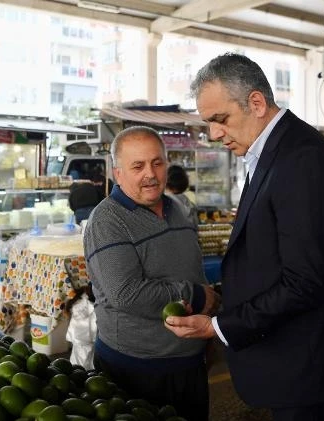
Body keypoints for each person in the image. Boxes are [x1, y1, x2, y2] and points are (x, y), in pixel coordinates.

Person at [164, 53, 324, 421]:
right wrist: (222, 300)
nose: (215, 134)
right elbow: (274, 255)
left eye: (220, 120)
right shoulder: (274, 150)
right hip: (296, 358)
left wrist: (219, 327)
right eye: (209, 123)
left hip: (310, 363)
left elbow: (304, 280)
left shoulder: (301, 161)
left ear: (256, 102)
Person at [83, 125, 220, 420]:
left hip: (188, 365)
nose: (151, 173)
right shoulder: (106, 221)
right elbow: (126, 294)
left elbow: (193, 271)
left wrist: (207, 334)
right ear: (117, 173)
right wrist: (197, 296)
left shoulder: (178, 210)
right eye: (138, 166)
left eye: (157, 163)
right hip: (135, 370)